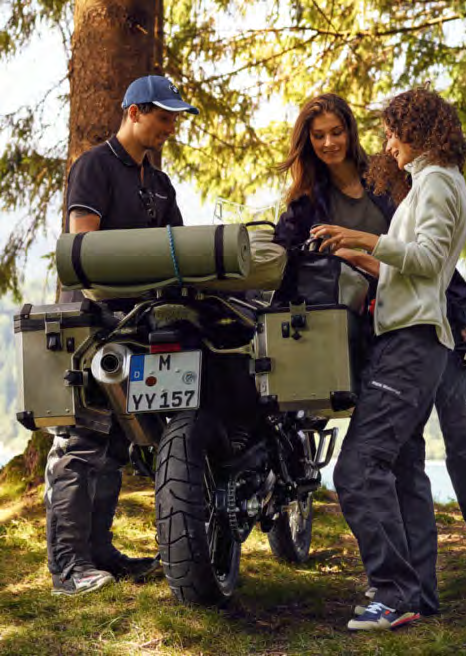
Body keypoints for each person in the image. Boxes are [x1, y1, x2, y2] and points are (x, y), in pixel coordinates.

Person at [274, 91, 466, 615]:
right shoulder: (416, 185)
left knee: (359, 469)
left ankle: (393, 593)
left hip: (411, 338)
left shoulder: (429, 183)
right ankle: (419, 595)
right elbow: (404, 266)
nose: (386, 144)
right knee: (405, 462)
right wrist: (355, 253)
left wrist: (361, 240)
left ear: (414, 131)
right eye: (317, 136)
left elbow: (430, 261)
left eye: (392, 132)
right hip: (396, 333)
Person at [45, 75, 199, 596]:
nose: (171, 125)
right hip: (88, 325)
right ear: (134, 112)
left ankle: (100, 554)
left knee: (113, 446)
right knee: (80, 443)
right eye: (164, 115)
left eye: (175, 116)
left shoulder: (158, 182)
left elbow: (178, 249)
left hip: (136, 327)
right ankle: (68, 568)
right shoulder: (94, 166)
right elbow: (84, 247)